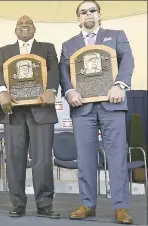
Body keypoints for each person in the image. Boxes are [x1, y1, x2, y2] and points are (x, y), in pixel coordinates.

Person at [59, 0, 134, 224]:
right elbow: (64, 72)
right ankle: (87, 204)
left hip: (113, 104)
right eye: (83, 12)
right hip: (82, 108)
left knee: (117, 156)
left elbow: (128, 60)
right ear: (78, 19)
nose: (88, 14)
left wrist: (120, 84)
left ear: (100, 15)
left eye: (92, 10)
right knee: (85, 157)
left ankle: (121, 207)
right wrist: (70, 90)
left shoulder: (117, 35)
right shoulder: (68, 44)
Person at [0, 15, 60, 219]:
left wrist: (51, 89)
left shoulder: (47, 47)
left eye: (28, 24)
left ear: (34, 29)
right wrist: (2, 91)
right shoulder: (5, 51)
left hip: (41, 109)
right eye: (20, 24)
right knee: (14, 159)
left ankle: (44, 204)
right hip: (14, 111)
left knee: (42, 160)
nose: (24, 26)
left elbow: (54, 70)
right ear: (15, 30)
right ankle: (17, 203)